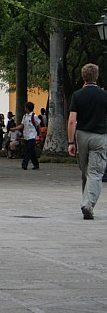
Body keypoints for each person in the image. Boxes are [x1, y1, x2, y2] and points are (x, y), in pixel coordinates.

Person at [67, 63, 107, 220]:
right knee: (95, 173)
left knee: (85, 172)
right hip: (100, 136)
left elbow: (72, 120)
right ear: (96, 77)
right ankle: (88, 204)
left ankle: (86, 201)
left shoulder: (77, 95)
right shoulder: (104, 95)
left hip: (82, 135)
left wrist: (71, 142)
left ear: (83, 77)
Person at [10, 101, 40, 170]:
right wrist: (14, 128)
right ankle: (36, 164)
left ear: (27, 108)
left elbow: (38, 125)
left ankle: (24, 163)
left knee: (28, 151)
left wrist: (40, 135)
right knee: (31, 151)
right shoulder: (25, 116)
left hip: (32, 136)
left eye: (25, 107)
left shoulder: (34, 116)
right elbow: (22, 125)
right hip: (26, 135)